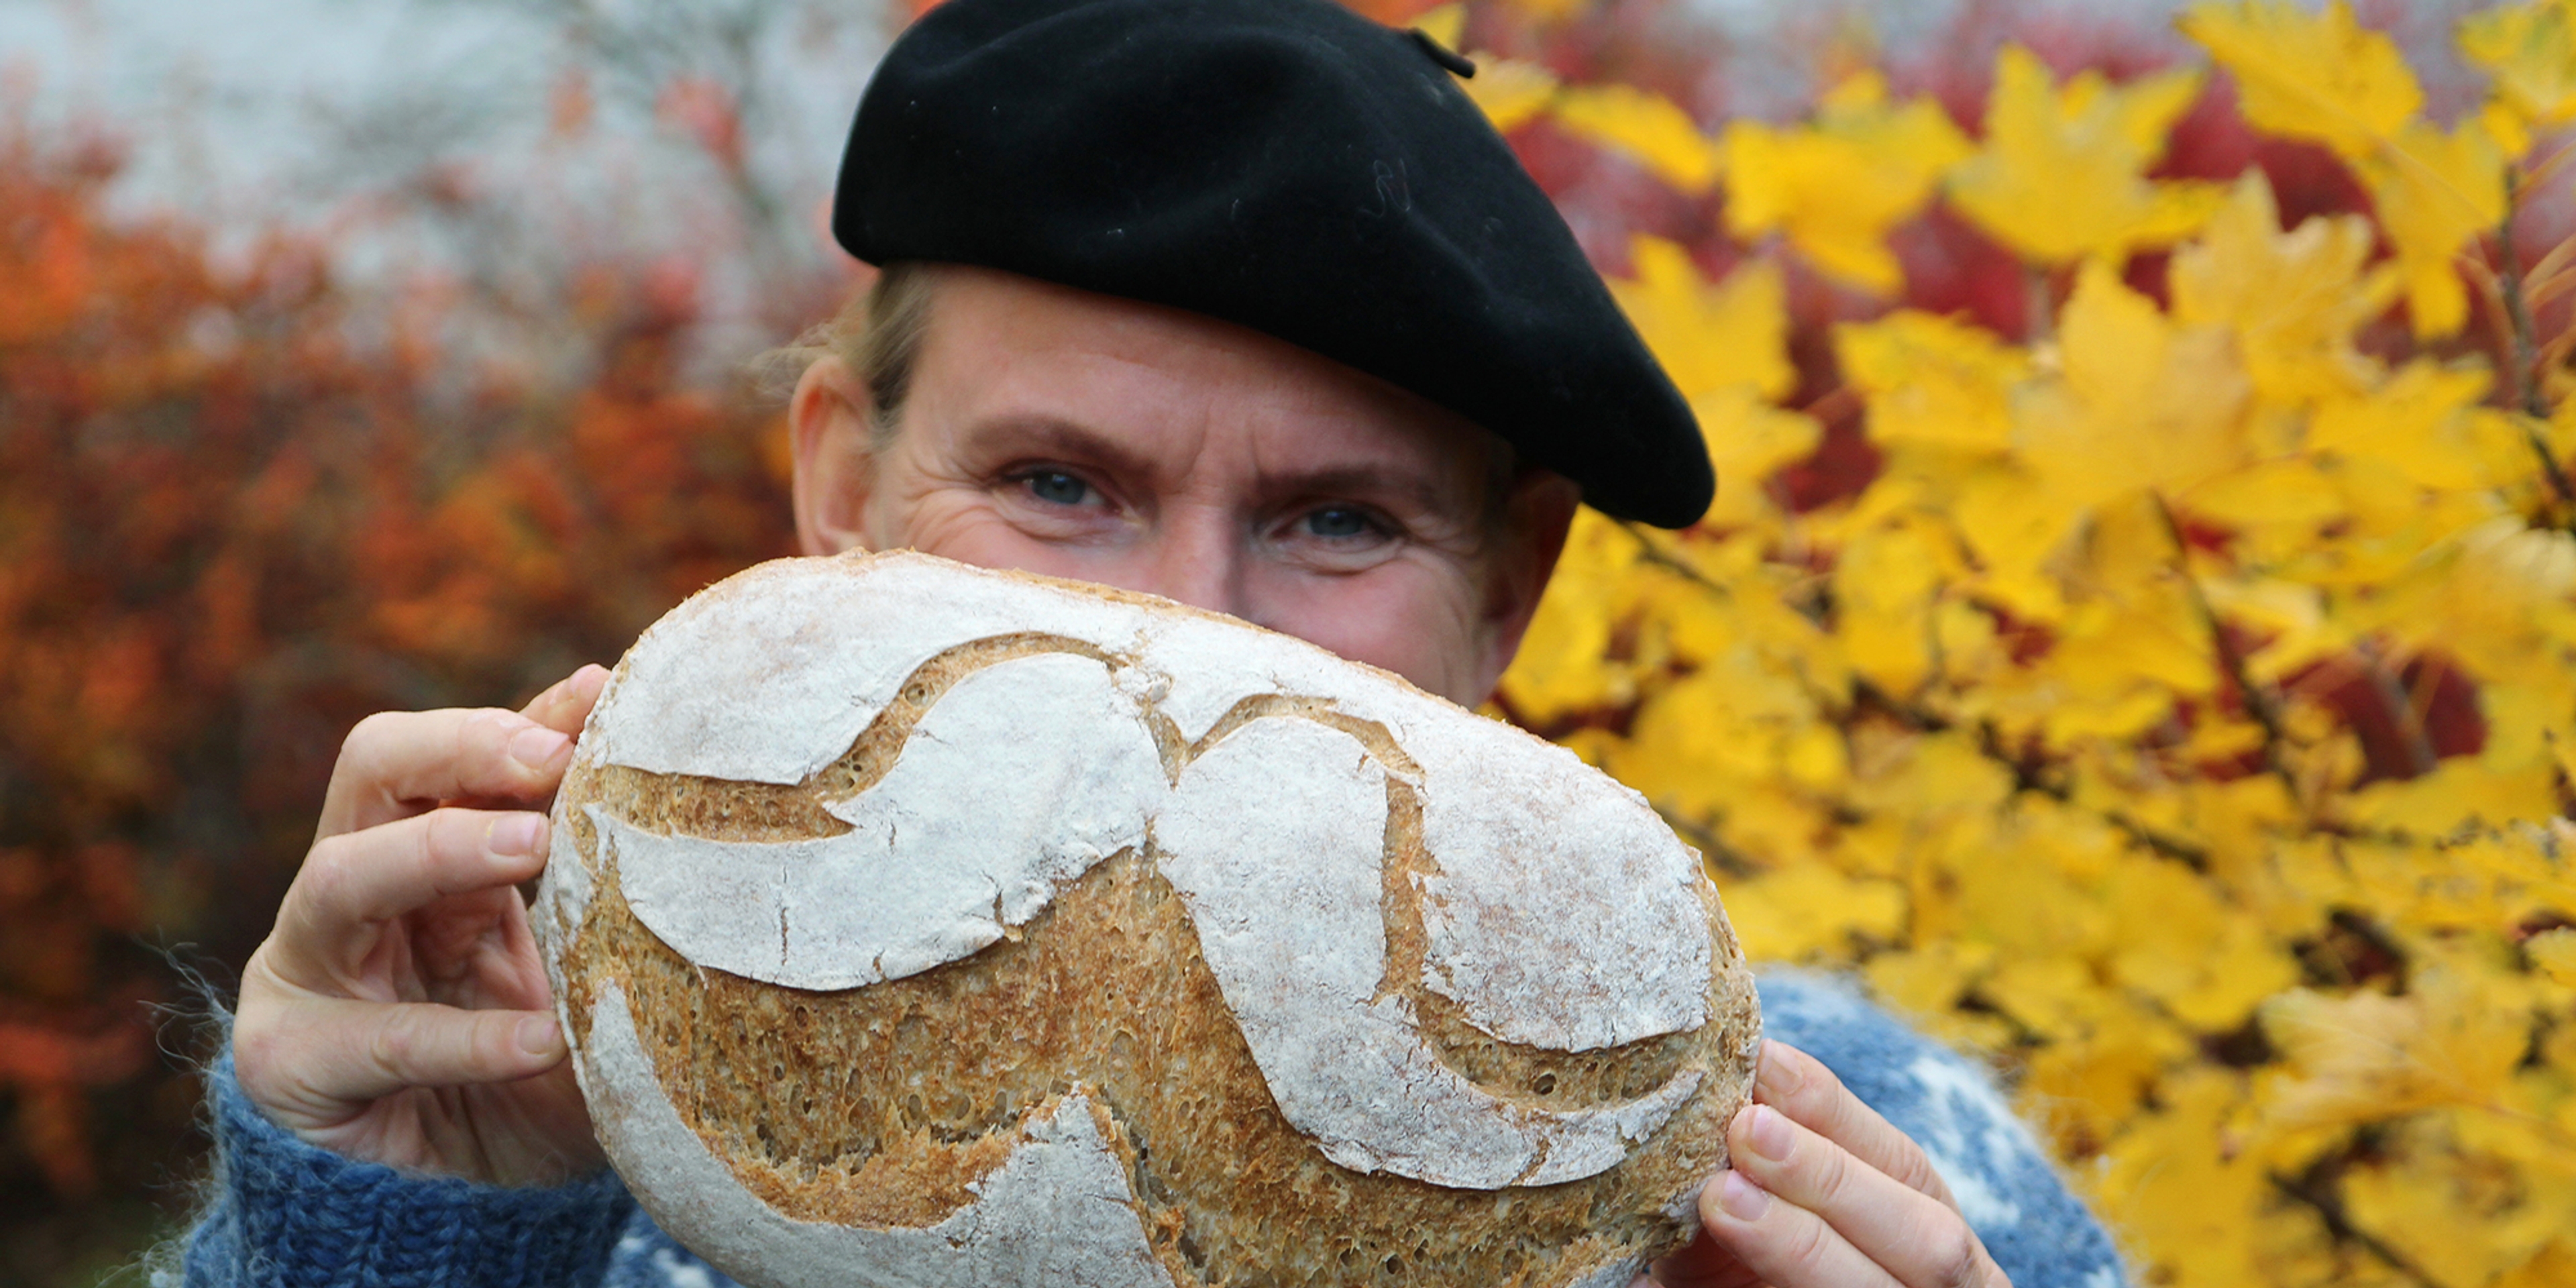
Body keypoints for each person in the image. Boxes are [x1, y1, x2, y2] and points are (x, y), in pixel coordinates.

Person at [181, 1, 2130, 1285]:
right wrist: (396, 1228)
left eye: (1337, 519)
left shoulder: (1856, 1182)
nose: (1187, 616)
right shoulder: (565, 1135)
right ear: (841, 491)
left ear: (1506, 595)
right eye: (1054, 480)